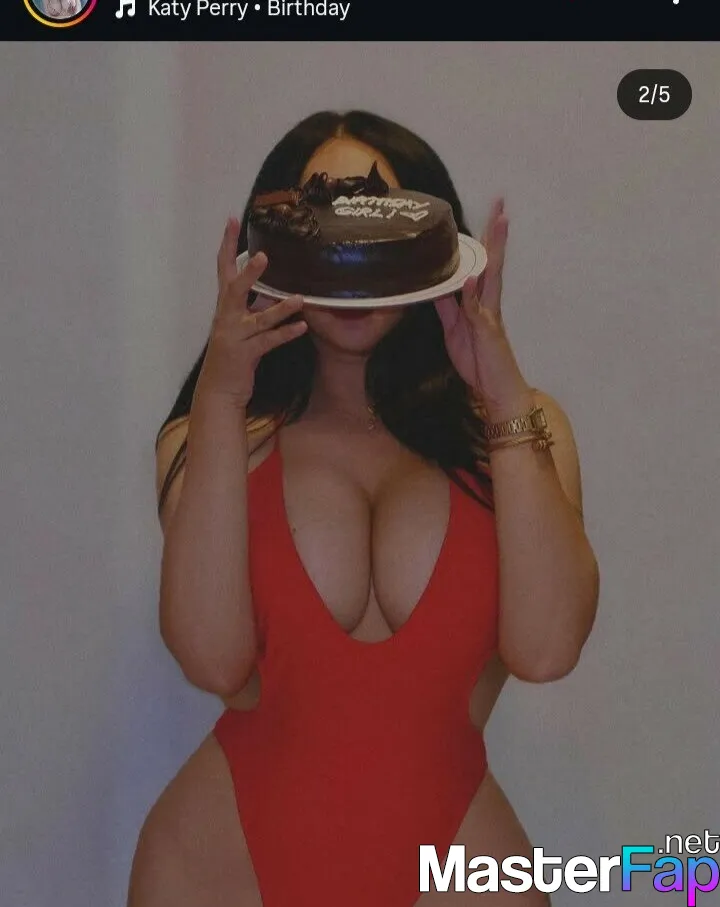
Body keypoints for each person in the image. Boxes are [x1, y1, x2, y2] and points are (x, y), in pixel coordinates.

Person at [127, 110, 600, 906]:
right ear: (275, 248)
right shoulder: (212, 437)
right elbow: (211, 661)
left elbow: (547, 648)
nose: (351, 251)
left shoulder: (522, 426)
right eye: (325, 220)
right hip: (220, 868)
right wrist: (220, 397)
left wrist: (502, 394)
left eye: (375, 216)